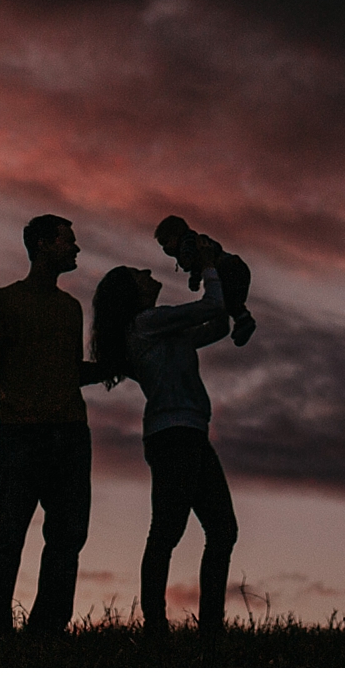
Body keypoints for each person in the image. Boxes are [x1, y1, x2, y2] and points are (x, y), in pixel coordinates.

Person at [0, 214, 107, 637]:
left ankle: (47, 632)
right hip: (21, 433)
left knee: (67, 539)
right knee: (7, 538)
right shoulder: (3, 301)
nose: (75, 249)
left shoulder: (70, 308)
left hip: (72, 435)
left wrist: (113, 367)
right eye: (68, 241)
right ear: (43, 244)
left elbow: (67, 369)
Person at [92, 241, 238, 636]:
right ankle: (155, 624)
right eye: (140, 275)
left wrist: (229, 291)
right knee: (168, 531)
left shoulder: (165, 331)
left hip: (188, 432)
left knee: (221, 530)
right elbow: (209, 309)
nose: (150, 274)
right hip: (173, 435)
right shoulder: (146, 324)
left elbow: (218, 323)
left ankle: (209, 627)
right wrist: (208, 267)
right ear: (132, 293)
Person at [155, 215, 257, 347]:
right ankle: (241, 320)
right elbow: (198, 266)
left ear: (176, 235)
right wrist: (195, 278)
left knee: (228, 301)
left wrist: (187, 264)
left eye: (165, 242)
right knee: (229, 301)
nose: (165, 248)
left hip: (229, 268)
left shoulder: (189, 241)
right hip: (233, 268)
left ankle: (244, 320)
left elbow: (191, 257)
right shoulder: (193, 243)